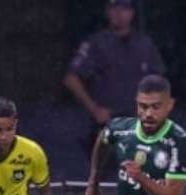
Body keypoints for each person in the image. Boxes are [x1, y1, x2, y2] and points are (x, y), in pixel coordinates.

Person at [64, 0, 166, 159]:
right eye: (115, 8)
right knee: (105, 178)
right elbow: (71, 78)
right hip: (108, 123)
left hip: (139, 123)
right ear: (107, 12)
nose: (119, 14)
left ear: (132, 13)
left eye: (124, 9)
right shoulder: (96, 43)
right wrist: (94, 109)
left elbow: (159, 81)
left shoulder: (144, 43)